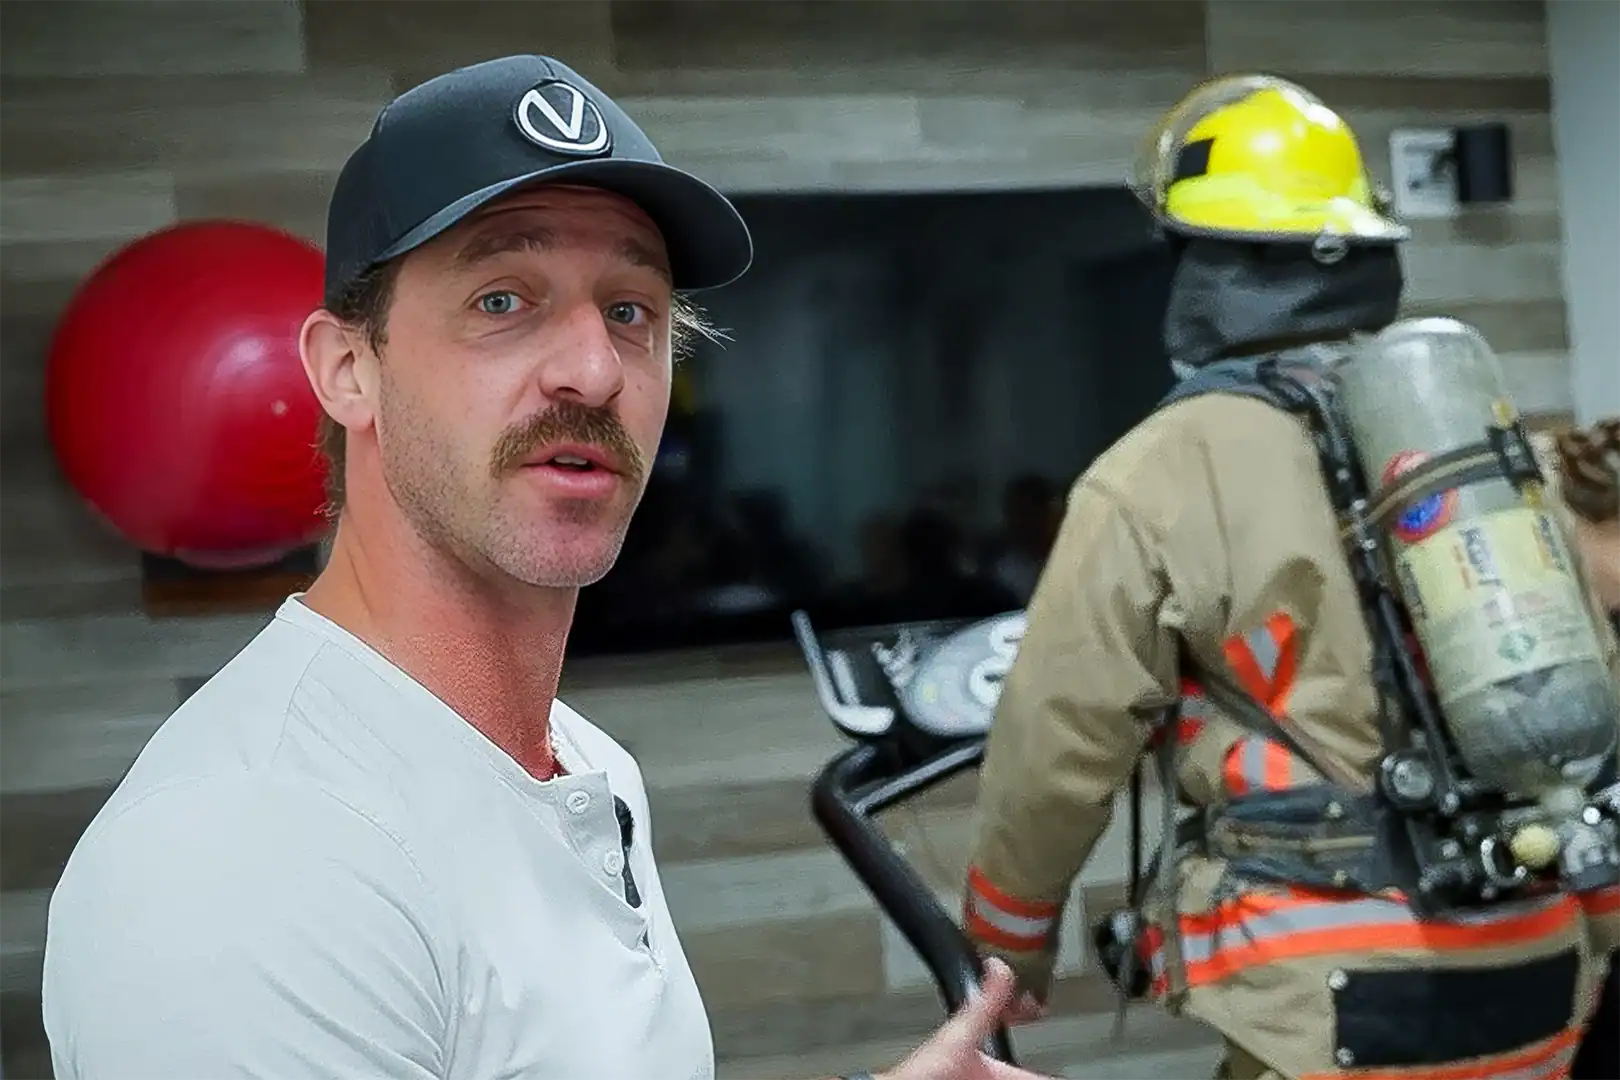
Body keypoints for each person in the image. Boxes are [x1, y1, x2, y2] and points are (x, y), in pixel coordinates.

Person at [39, 54, 1057, 1080]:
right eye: (502, 299)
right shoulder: (242, 861)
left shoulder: (588, 763)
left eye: (631, 311)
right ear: (349, 368)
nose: (596, 370)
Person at [957, 74, 1616, 1079]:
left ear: (1203, 265)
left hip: (1328, 990)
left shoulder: (1159, 469)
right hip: (1539, 964)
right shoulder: (1473, 451)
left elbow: (1059, 741)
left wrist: (1007, 951)